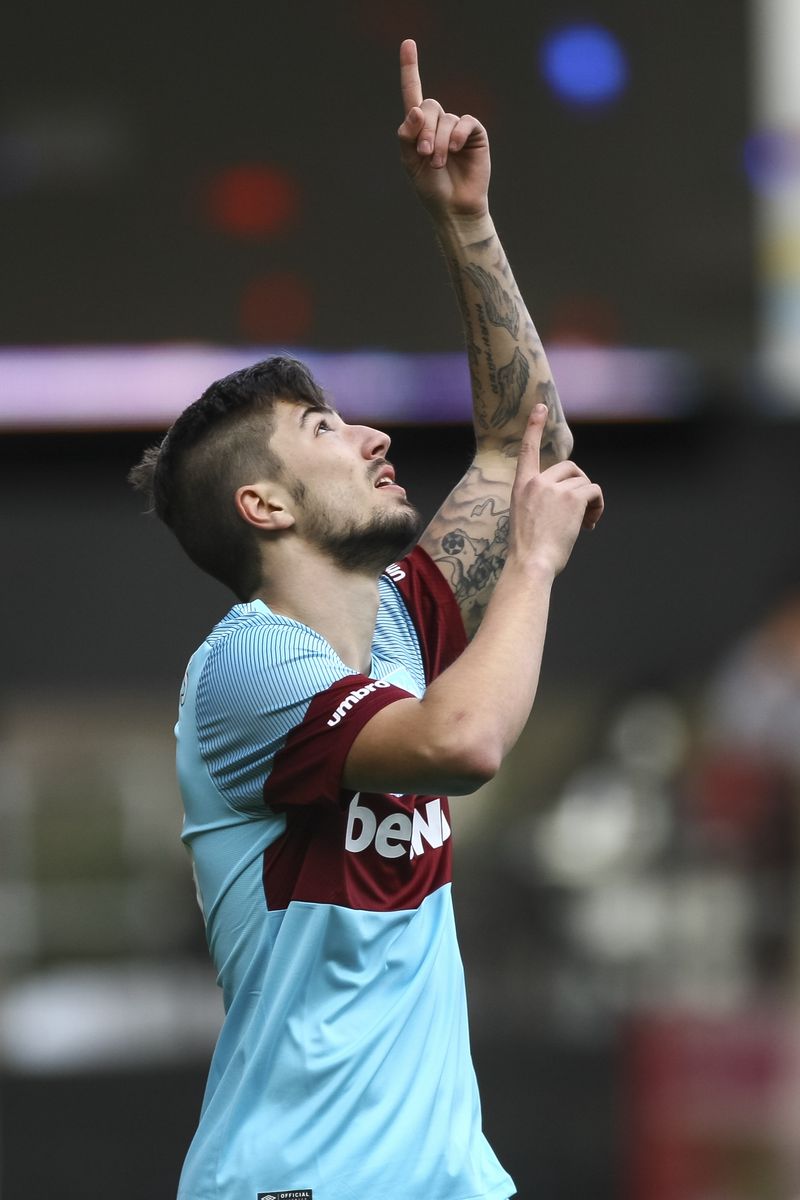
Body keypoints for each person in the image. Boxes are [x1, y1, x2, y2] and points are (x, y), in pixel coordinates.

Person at [130, 39, 603, 1200]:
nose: (375, 437)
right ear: (264, 504)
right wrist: (531, 566)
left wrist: (465, 222)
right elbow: (460, 746)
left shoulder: (397, 626)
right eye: (328, 431)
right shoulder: (243, 671)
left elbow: (521, 438)